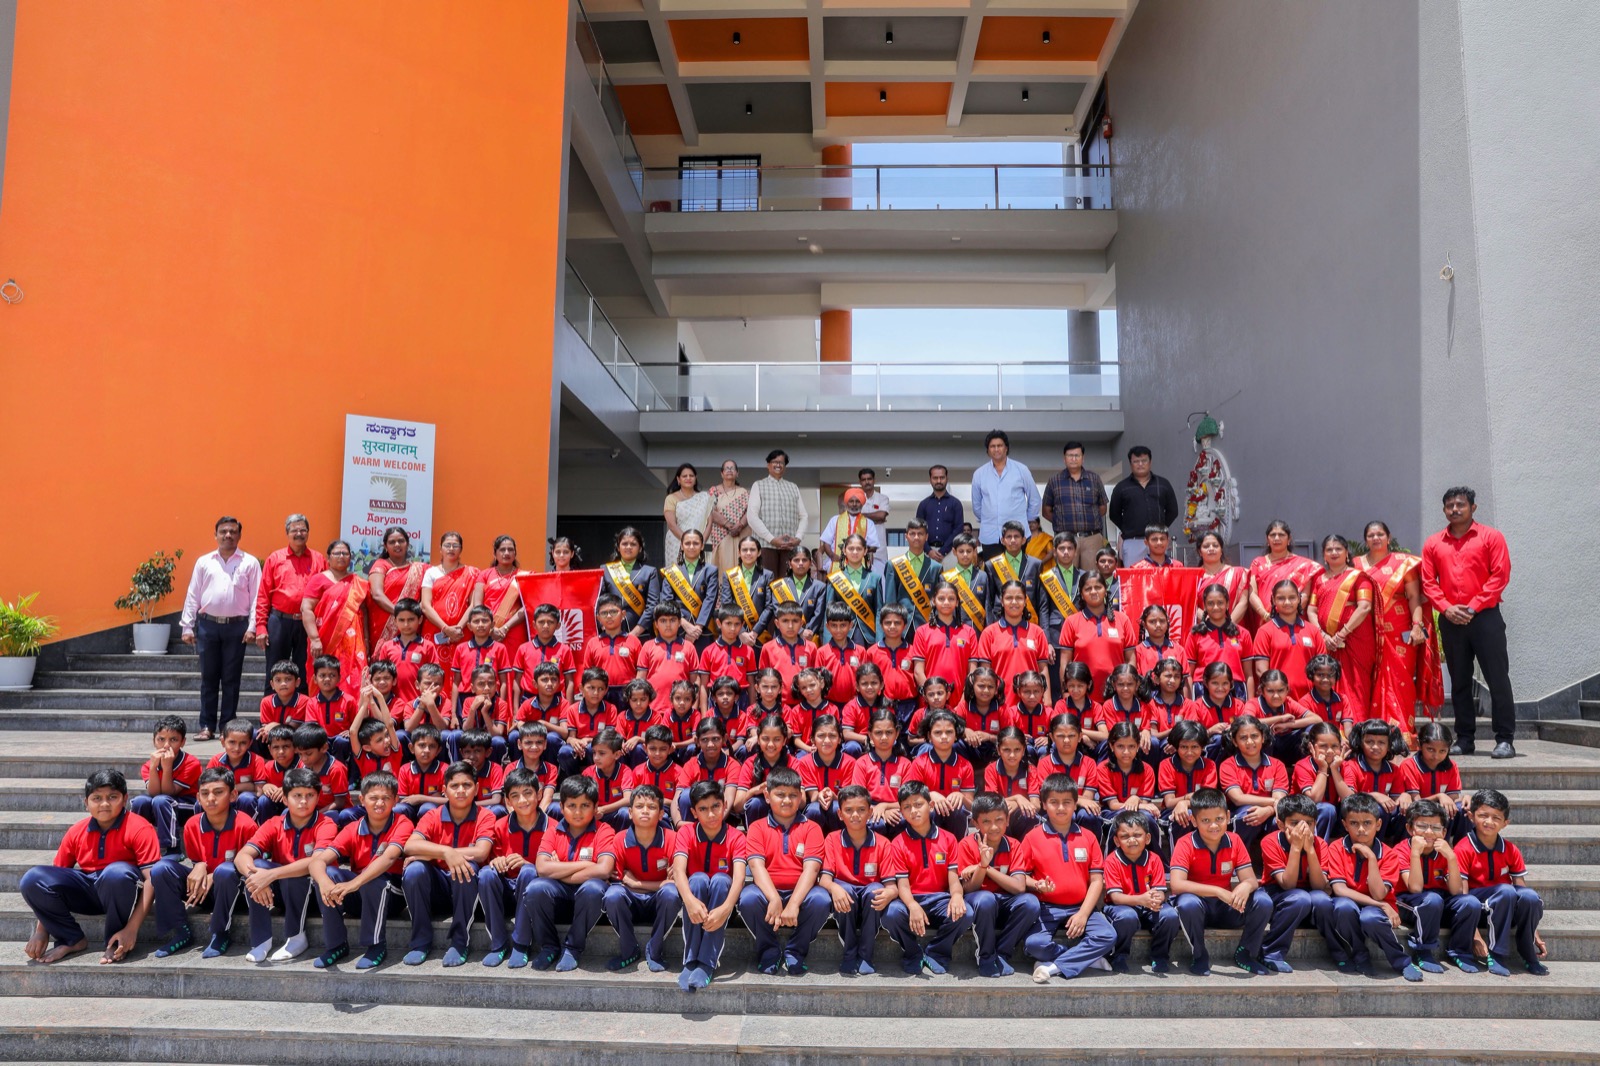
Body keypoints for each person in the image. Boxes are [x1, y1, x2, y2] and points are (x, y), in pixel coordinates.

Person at [22, 770, 160, 965]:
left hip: (123, 892)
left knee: (116, 873)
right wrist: (41, 931)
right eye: (97, 798)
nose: (104, 804)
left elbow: (152, 879)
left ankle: (115, 941)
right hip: (89, 891)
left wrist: (132, 929)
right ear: (86, 803)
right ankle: (71, 939)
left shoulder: (139, 827)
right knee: (33, 878)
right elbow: (54, 876)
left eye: (112, 797)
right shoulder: (77, 831)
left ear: (125, 799)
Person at [1421, 487, 1517, 759]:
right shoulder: (1433, 543)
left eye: (1460, 504)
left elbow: (1500, 575)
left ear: (1473, 508)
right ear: (1444, 510)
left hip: (1485, 617)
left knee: (1497, 678)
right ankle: (1465, 739)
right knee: (1460, 682)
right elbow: (1428, 582)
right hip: (1451, 619)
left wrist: (1473, 606)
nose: (1455, 509)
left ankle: (1505, 739)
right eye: (1449, 505)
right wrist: (1447, 608)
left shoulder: (1491, 537)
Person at [309, 771, 412, 970]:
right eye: (373, 798)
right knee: (328, 873)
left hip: (391, 895)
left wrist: (354, 883)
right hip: (358, 893)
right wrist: (324, 882)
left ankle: (376, 945)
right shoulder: (352, 828)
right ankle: (336, 945)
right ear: (362, 800)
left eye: (386, 798)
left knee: (373, 880)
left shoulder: (402, 823)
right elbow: (317, 861)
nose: (379, 803)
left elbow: (389, 857)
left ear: (395, 800)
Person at [1018, 775, 1117, 981]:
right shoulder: (1032, 837)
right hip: (1046, 908)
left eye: (1067, 802)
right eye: (1054, 802)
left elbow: (1097, 881)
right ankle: (1086, 959)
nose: (1061, 808)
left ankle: (1053, 967)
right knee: (1034, 944)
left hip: (1081, 906)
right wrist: (1037, 884)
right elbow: (1020, 877)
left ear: (1075, 804)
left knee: (1108, 936)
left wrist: (1083, 914)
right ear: (1044, 804)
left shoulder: (1088, 837)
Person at [1168, 786, 1273, 976]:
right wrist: (1217, 891)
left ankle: (1246, 953)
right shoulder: (1185, 843)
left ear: (1228, 816)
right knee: (1187, 903)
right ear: (1194, 821)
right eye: (1205, 821)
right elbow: (1177, 884)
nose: (1214, 826)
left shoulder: (1235, 840)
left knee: (1263, 900)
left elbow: (1251, 879)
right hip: (1199, 909)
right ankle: (1199, 955)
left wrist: (1245, 886)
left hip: (1227, 907)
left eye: (1219, 819)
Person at [235, 766, 335, 963]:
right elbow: (242, 856)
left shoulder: (326, 824)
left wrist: (271, 875)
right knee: (256, 866)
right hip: (280, 895)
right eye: (297, 795)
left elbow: (317, 861)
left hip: (315, 895)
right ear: (285, 798)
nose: (304, 801)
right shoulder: (274, 823)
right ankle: (261, 940)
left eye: (310, 795)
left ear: (318, 797)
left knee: (291, 876)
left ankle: (296, 937)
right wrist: (256, 877)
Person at [401, 761, 496, 967]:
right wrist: (446, 852)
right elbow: (410, 846)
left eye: (466, 785)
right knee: (415, 870)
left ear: (477, 789)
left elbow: (481, 852)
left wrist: (436, 854)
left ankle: (460, 942)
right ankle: (420, 941)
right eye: (454, 786)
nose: (461, 790)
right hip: (438, 888)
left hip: (467, 890)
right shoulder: (432, 815)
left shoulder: (486, 815)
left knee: (465, 866)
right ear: (444, 790)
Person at [737, 766, 830, 975]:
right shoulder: (757, 827)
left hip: (802, 892)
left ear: (800, 797)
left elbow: (811, 870)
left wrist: (794, 903)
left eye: (793, 795)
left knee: (821, 900)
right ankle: (769, 950)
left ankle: (796, 950)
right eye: (780, 795)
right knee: (748, 898)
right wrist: (774, 899)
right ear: (767, 796)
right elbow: (756, 866)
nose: (787, 800)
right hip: (767, 891)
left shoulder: (812, 828)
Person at [1357, 520, 1444, 743]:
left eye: (1380, 534)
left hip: (1399, 628)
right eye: (1371, 535)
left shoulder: (1403, 563)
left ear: (1388, 537)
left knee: (1400, 679)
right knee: (1369, 679)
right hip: (1367, 629)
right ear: (1365, 540)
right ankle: (1372, 731)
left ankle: (1402, 730)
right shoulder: (1356, 564)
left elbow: (1414, 597)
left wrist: (1417, 626)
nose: (1375, 538)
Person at [879, 779, 974, 975]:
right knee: (891, 914)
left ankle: (936, 952)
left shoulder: (948, 838)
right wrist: (912, 905)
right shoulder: (897, 843)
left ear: (930, 806)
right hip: (910, 899)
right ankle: (913, 952)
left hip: (939, 899)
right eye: (907, 807)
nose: (913, 811)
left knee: (966, 913)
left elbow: (953, 878)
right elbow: (902, 885)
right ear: (901, 812)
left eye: (918, 804)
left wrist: (957, 896)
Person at [1326, 793, 1424, 981]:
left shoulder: (1389, 854)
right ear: (1345, 825)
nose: (1361, 829)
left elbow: (1379, 894)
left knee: (1369, 918)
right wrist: (1381, 905)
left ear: (1378, 824)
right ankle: (1360, 955)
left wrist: (1371, 858)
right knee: (1342, 907)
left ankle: (1402, 961)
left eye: (1367, 823)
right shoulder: (1336, 848)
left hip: (1376, 906)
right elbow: (1339, 890)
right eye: (1354, 823)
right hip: (1353, 902)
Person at [181, 516, 262, 741]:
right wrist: (187, 626)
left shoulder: (249, 562)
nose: (228, 535)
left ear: (239, 535)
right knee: (208, 678)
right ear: (215, 535)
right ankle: (206, 726)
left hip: (237, 627)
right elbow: (193, 594)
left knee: (231, 679)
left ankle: (227, 726)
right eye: (223, 531)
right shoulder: (204, 562)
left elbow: (257, 597)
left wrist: (253, 626)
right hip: (208, 625)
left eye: (233, 532)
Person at [1454, 788, 1547, 976]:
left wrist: (1534, 930)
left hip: (1506, 904)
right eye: (1483, 815)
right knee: (1506, 890)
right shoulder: (1463, 848)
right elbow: (1462, 896)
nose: (1489, 822)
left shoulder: (1510, 849)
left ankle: (1528, 952)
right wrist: (1475, 935)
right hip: (1478, 909)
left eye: (1496, 818)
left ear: (1505, 823)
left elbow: (1521, 887)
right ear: (1471, 816)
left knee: (1530, 896)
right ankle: (1496, 953)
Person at [1391, 798, 1482, 974]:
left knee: (1470, 902)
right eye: (1422, 826)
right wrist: (1415, 853)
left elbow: (1456, 891)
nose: (1429, 832)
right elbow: (1415, 888)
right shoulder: (1401, 851)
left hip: (1438, 901)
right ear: (1410, 829)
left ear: (1444, 831)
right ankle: (1423, 950)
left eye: (1436, 828)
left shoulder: (1444, 851)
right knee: (1432, 899)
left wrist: (1452, 857)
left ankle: (1460, 951)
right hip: (1408, 901)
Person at [819, 784, 895, 975]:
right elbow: (824, 879)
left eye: (861, 810)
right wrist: (834, 888)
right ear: (840, 814)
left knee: (875, 891)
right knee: (844, 890)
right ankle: (849, 954)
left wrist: (889, 893)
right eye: (849, 810)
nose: (855, 815)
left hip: (870, 900)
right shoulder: (832, 839)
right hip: (846, 898)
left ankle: (866, 955)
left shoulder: (883, 843)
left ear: (870, 813)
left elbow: (892, 886)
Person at [1308, 534, 1380, 727]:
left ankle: (1357, 728)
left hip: (1356, 640)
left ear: (1347, 553)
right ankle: (1331, 729)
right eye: (1329, 549)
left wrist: (1342, 634)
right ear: (1324, 555)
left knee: (1356, 685)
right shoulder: (1319, 580)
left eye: (1338, 549)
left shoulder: (1358, 577)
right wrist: (1323, 635)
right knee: (1328, 681)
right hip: (1327, 642)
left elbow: (1364, 607)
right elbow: (1311, 610)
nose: (1334, 552)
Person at [253, 514, 325, 696]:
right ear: (287, 533)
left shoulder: (318, 559)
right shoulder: (275, 558)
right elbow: (263, 594)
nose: (299, 534)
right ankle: (271, 711)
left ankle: (303, 710)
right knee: (275, 670)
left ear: (308, 533)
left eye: (303, 530)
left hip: (308, 624)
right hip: (279, 621)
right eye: (295, 530)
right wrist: (261, 626)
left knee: (305, 671)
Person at [298, 540, 369, 704]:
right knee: (325, 676)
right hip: (325, 642)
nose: (341, 556)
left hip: (354, 645)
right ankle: (320, 714)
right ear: (328, 558)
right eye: (337, 553)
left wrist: (366, 641)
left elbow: (363, 613)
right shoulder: (318, 580)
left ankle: (353, 715)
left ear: (350, 557)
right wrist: (315, 639)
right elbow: (306, 609)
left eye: (345, 553)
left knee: (356, 679)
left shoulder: (358, 583)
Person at [419, 532, 479, 685]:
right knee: (434, 671)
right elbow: (425, 605)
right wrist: (445, 628)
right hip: (435, 630)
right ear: (440, 549)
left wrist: (458, 628)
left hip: (462, 633)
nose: (451, 548)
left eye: (455, 545)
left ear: (461, 549)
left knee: (461, 671)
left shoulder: (471, 573)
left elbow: (474, 604)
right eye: (447, 545)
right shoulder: (431, 573)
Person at [971, 430, 1041, 557]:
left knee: (1016, 569)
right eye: (992, 446)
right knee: (993, 570)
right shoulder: (979, 474)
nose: (996, 449)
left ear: (1006, 448)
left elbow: (1034, 499)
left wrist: (1025, 520)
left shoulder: (1021, 470)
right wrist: (988, 518)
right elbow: (976, 506)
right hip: (990, 536)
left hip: (1016, 535)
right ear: (988, 450)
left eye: (1000, 445)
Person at [1108, 446, 1180, 565]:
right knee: (1133, 575)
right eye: (1136, 461)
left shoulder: (1163, 484)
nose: (1140, 464)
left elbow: (1173, 511)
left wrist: (1159, 529)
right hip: (1133, 542)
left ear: (1150, 462)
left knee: (1159, 574)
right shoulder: (1121, 487)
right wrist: (1128, 529)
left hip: (1158, 541)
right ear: (1130, 464)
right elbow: (1114, 514)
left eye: (1144, 460)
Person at [1246, 521, 1320, 630]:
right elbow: (1252, 593)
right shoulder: (1258, 563)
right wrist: (1265, 615)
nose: (1276, 538)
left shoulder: (1304, 565)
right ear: (1267, 540)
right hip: (1265, 621)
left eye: (1281, 535)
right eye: (1273, 535)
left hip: (1293, 621)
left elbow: (1304, 595)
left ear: (1289, 539)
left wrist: (1287, 616)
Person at [1040, 440, 1107, 558]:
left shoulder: (1094, 479)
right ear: (1064, 458)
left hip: (1091, 538)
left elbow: (1102, 507)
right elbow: (1046, 511)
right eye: (1070, 455)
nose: (1073, 459)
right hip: (1065, 539)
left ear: (1083, 458)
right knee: (1066, 570)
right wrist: (1061, 522)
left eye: (1077, 455)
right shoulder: (1054, 481)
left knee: (1092, 570)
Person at [366, 526, 425, 652]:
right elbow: (377, 594)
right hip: (383, 624)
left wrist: (408, 617)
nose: (397, 545)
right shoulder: (381, 565)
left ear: (407, 544)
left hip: (411, 624)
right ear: (385, 546)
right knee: (384, 660)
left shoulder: (419, 568)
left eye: (401, 541)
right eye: (392, 542)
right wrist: (401, 614)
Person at [748, 449, 807, 577]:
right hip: (765, 546)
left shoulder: (793, 487)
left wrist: (798, 538)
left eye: (781, 462)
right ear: (768, 465)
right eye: (775, 462)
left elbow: (803, 516)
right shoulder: (758, 485)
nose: (778, 465)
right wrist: (772, 539)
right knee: (766, 582)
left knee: (788, 583)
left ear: (785, 466)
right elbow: (752, 516)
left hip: (789, 547)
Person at [598, 526, 658, 640]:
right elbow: (598, 601)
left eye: (633, 544)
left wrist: (636, 632)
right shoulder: (605, 570)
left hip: (640, 633)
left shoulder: (649, 572)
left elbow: (653, 605)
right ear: (618, 547)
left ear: (640, 548)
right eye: (624, 544)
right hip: (610, 632)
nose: (629, 547)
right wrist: (604, 625)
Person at [472, 535, 528, 659]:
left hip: (514, 630)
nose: (506, 553)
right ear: (495, 554)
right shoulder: (484, 575)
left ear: (515, 553)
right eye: (502, 549)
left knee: (512, 665)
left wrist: (505, 628)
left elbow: (527, 606)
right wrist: (491, 629)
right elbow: (477, 606)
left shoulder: (524, 576)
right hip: (487, 631)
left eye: (510, 549)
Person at [817, 487, 881, 573]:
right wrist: (832, 555)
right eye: (851, 501)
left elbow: (874, 546)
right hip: (837, 561)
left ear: (862, 504)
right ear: (847, 503)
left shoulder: (868, 523)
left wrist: (858, 549)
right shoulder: (835, 520)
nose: (854, 504)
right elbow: (826, 542)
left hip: (860, 562)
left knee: (874, 574)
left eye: (857, 501)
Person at [704, 459, 751, 571]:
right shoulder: (714, 491)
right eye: (727, 468)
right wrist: (728, 524)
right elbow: (709, 511)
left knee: (741, 565)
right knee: (723, 566)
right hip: (721, 536)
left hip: (740, 534)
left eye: (732, 468)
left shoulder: (744, 492)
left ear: (737, 473)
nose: (729, 470)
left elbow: (750, 512)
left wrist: (740, 525)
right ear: (722, 473)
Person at [663, 462, 711, 567]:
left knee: (699, 573)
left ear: (695, 478)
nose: (688, 478)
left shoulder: (705, 497)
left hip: (699, 544)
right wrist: (687, 541)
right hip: (677, 542)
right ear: (678, 479)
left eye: (691, 476)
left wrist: (700, 542)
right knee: (677, 574)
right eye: (684, 476)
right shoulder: (671, 498)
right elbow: (671, 524)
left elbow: (709, 523)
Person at [915, 465, 964, 563]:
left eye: (942, 477)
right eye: (935, 478)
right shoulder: (924, 504)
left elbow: (958, 530)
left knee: (951, 575)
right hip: (927, 553)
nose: (939, 481)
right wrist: (929, 551)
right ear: (930, 480)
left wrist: (943, 551)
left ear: (947, 479)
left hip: (950, 553)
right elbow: (918, 530)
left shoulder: (956, 504)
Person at [857, 468, 892, 575]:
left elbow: (882, 515)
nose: (867, 482)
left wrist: (861, 516)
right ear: (860, 482)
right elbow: (854, 517)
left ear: (874, 480)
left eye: (869, 479)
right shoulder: (856, 501)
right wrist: (875, 518)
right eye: (864, 480)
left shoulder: (882, 498)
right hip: (859, 549)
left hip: (879, 550)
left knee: (880, 580)